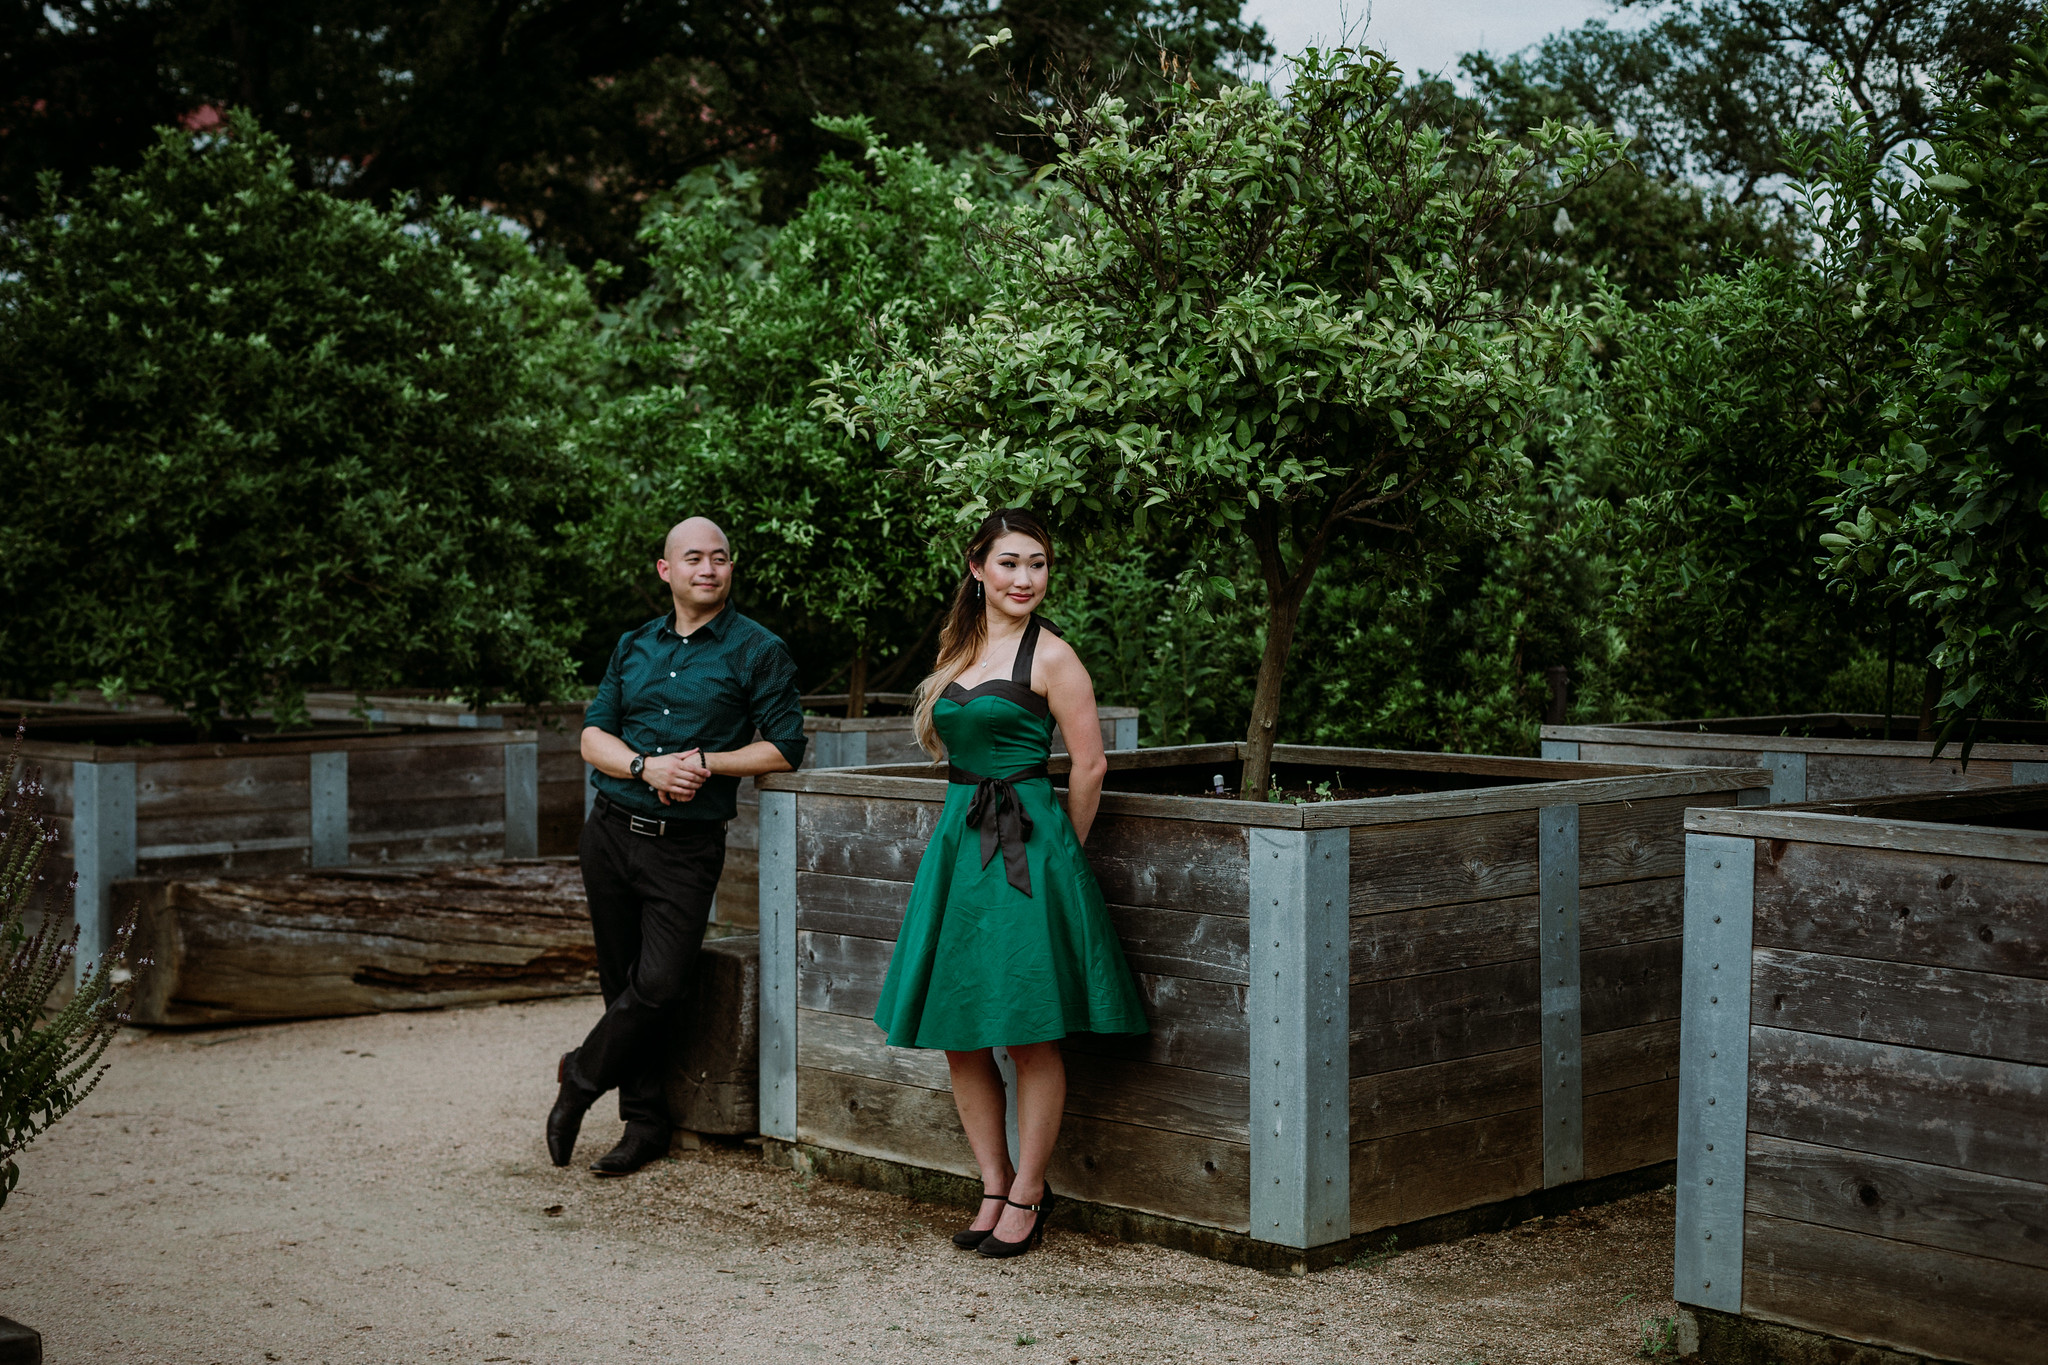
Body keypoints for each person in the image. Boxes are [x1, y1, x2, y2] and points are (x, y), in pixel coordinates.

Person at [872, 508, 1149, 1258]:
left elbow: (1089, 766)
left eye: (1038, 564)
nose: (1025, 578)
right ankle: (992, 1183)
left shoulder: (1053, 656)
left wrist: (1063, 851)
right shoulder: (958, 647)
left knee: (1028, 1031)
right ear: (977, 568)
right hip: (961, 848)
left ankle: (1031, 1190)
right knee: (962, 1032)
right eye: (1010, 563)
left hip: (1029, 850)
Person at [547, 516, 808, 1176]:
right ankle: (645, 1121)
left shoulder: (758, 650)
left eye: (720, 557)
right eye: (693, 557)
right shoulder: (634, 645)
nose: (708, 568)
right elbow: (592, 737)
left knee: (659, 983)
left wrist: (704, 763)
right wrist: (645, 767)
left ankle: (579, 1078)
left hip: (686, 849)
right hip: (608, 833)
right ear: (667, 570)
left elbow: (785, 746)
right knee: (620, 982)